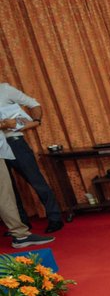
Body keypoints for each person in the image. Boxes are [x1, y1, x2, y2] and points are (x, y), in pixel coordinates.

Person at [0, 81, 65, 232]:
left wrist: (35, 121)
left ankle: (55, 217)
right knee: (7, 189)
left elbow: (33, 104)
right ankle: (20, 225)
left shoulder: (5, 89)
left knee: (36, 180)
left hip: (14, 142)